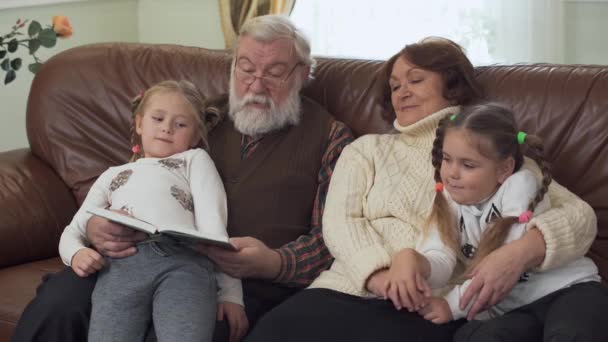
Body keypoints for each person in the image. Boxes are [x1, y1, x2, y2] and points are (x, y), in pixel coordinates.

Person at [11, 15, 354, 342]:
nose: (256, 84)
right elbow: (135, 176)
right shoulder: (200, 116)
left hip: (248, 282)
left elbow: (335, 239)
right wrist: (96, 228)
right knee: (58, 302)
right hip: (139, 256)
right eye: (245, 68)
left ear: (302, 74)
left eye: (274, 72)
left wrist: (275, 263)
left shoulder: (331, 137)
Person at [245, 37, 598, 342]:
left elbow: (578, 216)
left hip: (429, 302)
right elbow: (340, 223)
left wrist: (519, 251)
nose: (402, 92)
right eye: (395, 86)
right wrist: (380, 277)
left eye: (416, 79)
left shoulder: (489, 149)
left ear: (453, 87)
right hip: (344, 286)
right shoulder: (366, 149)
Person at [58, 80, 247, 342]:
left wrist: (230, 295)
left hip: (184, 263)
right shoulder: (113, 175)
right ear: (139, 123)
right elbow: (73, 231)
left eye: (180, 124)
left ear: (194, 137)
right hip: (120, 268)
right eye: (158, 118)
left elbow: (214, 226)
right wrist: (76, 252)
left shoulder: (193, 161)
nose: (167, 128)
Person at [415, 102, 608, 342]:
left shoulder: (521, 185)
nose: (452, 173)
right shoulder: (449, 198)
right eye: (447, 159)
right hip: (514, 310)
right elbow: (440, 255)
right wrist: (417, 265)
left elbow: (503, 263)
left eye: (467, 165)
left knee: (572, 334)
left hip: (569, 291)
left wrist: (450, 305)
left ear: (504, 169)